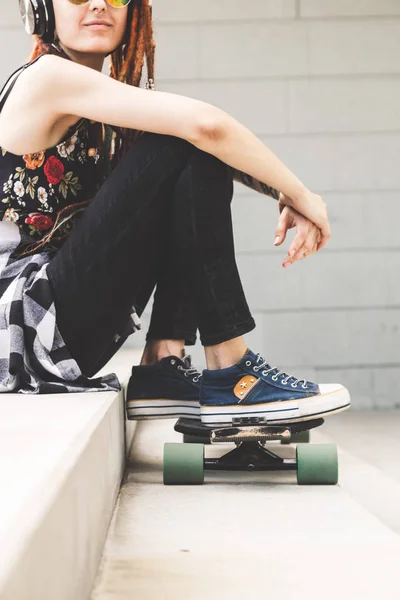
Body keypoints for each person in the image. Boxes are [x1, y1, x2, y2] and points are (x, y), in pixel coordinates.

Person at [0, 0, 350, 426]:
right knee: (187, 138)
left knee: (195, 148)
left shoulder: (96, 103)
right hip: (26, 328)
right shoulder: (49, 78)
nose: (97, 4)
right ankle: (230, 367)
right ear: (41, 8)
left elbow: (210, 144)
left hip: (55, 326)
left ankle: (162, 363)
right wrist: (302, 194)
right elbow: (206, 127)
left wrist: (279, 190)